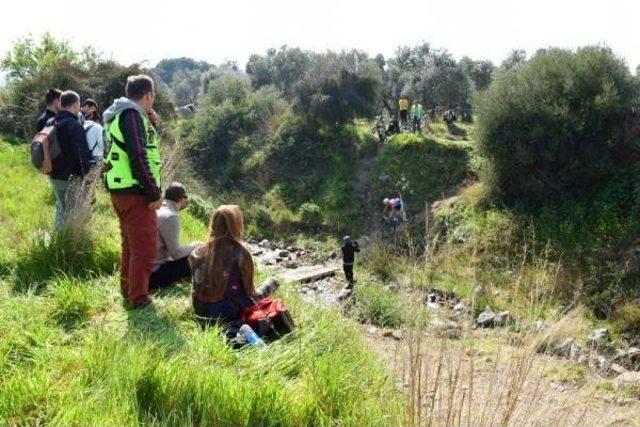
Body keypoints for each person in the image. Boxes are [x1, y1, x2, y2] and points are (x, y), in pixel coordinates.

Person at [103, 74, 163, 309]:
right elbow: (138, 156)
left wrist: (151, 122)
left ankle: (129, 290)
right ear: (148, 95)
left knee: (130, 245)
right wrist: (153, 193)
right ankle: (139, 299)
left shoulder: (123, 113)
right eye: (153, 96)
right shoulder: (131, 115)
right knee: (146, 247)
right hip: (135, 191)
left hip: (121, 189)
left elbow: (140, 145)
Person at [190, 205, 280, 325]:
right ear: (237, 225)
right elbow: (250, 293)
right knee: (272, 281)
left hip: (200, 313)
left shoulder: (197, 252)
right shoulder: (241, 252)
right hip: (228, 315)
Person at [49, 90, 93, 230]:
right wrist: (85, 176)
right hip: (71, 178)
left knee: (61, 208)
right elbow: (81, 157)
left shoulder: (51, 122)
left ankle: (58, 240)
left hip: (53, 175)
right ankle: (67, 247)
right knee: (71, 214)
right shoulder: (75, 126)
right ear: (75, 104)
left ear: (61, 104)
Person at [149, 183, 202, 289]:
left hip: (142, 271)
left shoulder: (157, 209)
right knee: (197, 256)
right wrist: (197, 245)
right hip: (153, 275)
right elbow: (176, 254)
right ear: (182, 199)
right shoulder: (171, 216)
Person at [81, 99, 105, 167]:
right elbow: (102, 145)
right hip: (97, 157)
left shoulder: (83, 126)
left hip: (87, 157)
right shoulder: (98, 127)